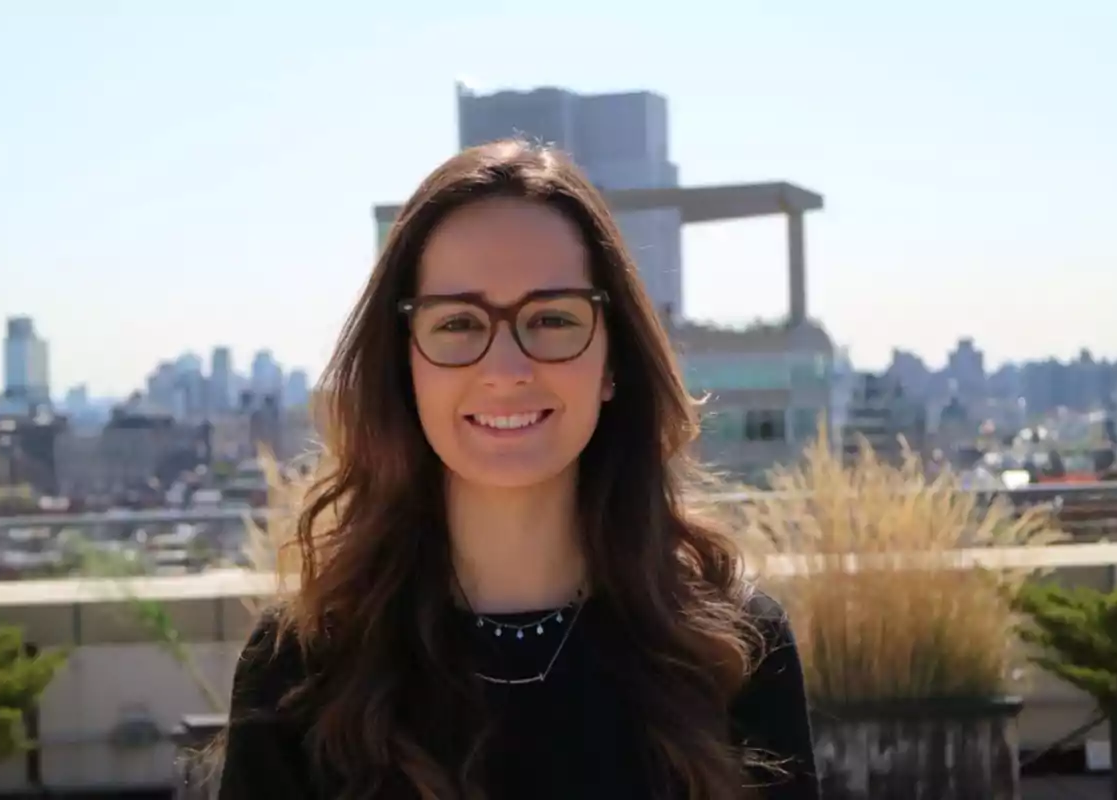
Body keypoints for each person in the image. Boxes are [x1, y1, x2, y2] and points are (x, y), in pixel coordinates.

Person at [217, 139, 820, 799]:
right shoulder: (304, 668)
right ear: (403, 363)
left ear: (613, 361)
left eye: (553, 319)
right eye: (458, 325)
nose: (505, 370)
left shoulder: (730, 651)